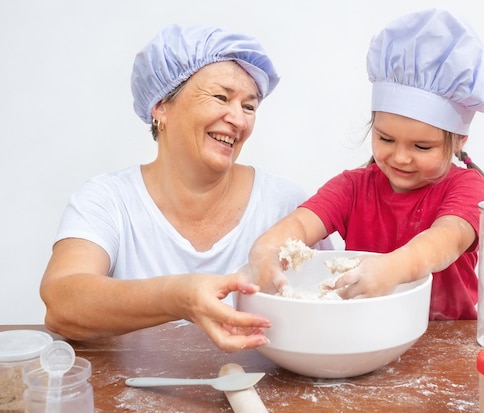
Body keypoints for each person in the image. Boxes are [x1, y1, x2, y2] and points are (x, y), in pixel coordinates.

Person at [40, 24, 330, 351]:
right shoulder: (107, 200)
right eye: (221, 97)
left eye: (249, 106)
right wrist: (179, 297)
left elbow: (331, 302)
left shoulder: (287, 204)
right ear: (161, 106)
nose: (239, 119)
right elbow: (61, 304)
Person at [248, 9, 484, 320]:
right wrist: (266, 248)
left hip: (445, 341)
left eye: (422, 146)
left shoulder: (468, 186)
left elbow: (446, 239)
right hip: (363, 333)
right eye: (386, 139)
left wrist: (393, 268)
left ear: (459, 140)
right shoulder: (352, 188)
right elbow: (300, 225)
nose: (401, 157)